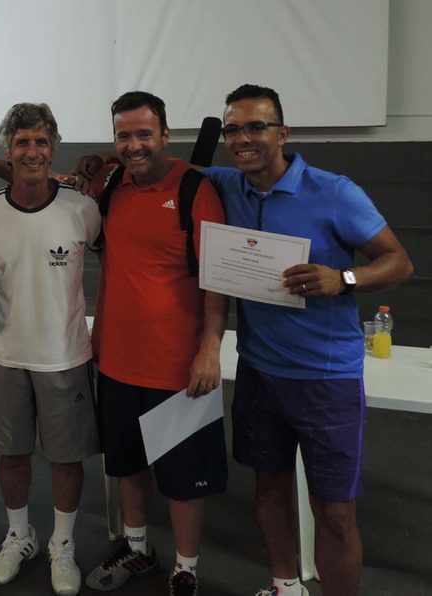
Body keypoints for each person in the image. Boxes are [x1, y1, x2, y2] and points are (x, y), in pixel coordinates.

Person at [202, 84, 413, 596]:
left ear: (283, 132)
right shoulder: (226, 185)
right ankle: (285, 586)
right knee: (270, 490)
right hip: (258, 372)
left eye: (256, 126)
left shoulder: (334, 192)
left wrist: (343, 278)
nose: (243, 139)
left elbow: (399, 261)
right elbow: (157, 169)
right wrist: (98, 164)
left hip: (326, 379)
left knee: (335, 511)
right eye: (233, 130)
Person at [77, 92, 228, 596]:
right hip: (117, 362)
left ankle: (186, 567)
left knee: (184, 480)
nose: (134, 145)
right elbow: (48, 180)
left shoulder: (195, 189)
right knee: (128, 466)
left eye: (144, 134)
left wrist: (210, 349)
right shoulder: (111, 184)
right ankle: (137, 548)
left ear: (165, 134)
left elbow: (216, 280)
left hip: (177, 367)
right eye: (123, 136)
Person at [0, 103, 101, 596]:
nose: (32, 152)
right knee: (12, 456)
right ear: (8, 150)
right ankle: (19, 536)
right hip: (5, 355)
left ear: (54, 148)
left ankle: (62, 544)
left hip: (65, 356)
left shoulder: (82, 208)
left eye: (41, 142)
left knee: (66, 459)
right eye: (22, 142)